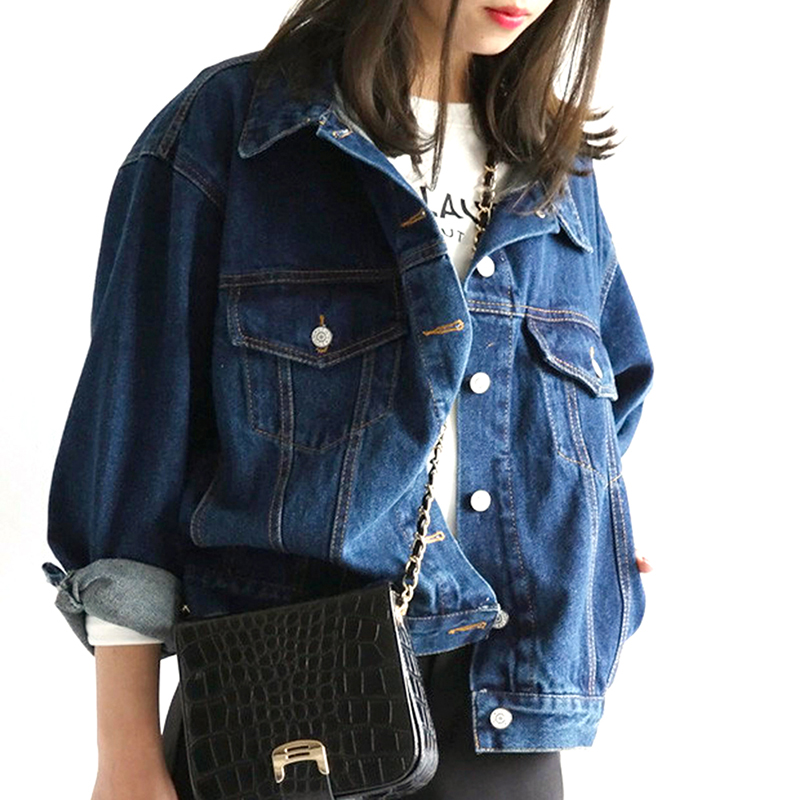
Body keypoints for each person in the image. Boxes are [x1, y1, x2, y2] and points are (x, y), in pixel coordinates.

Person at [41, 1, 655, 798]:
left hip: (506, 708)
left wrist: (589, 530)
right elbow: (130, 451)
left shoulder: (556, 168)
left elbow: (606, 396)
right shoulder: (236, 131)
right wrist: (124, 754)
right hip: (286, 703)